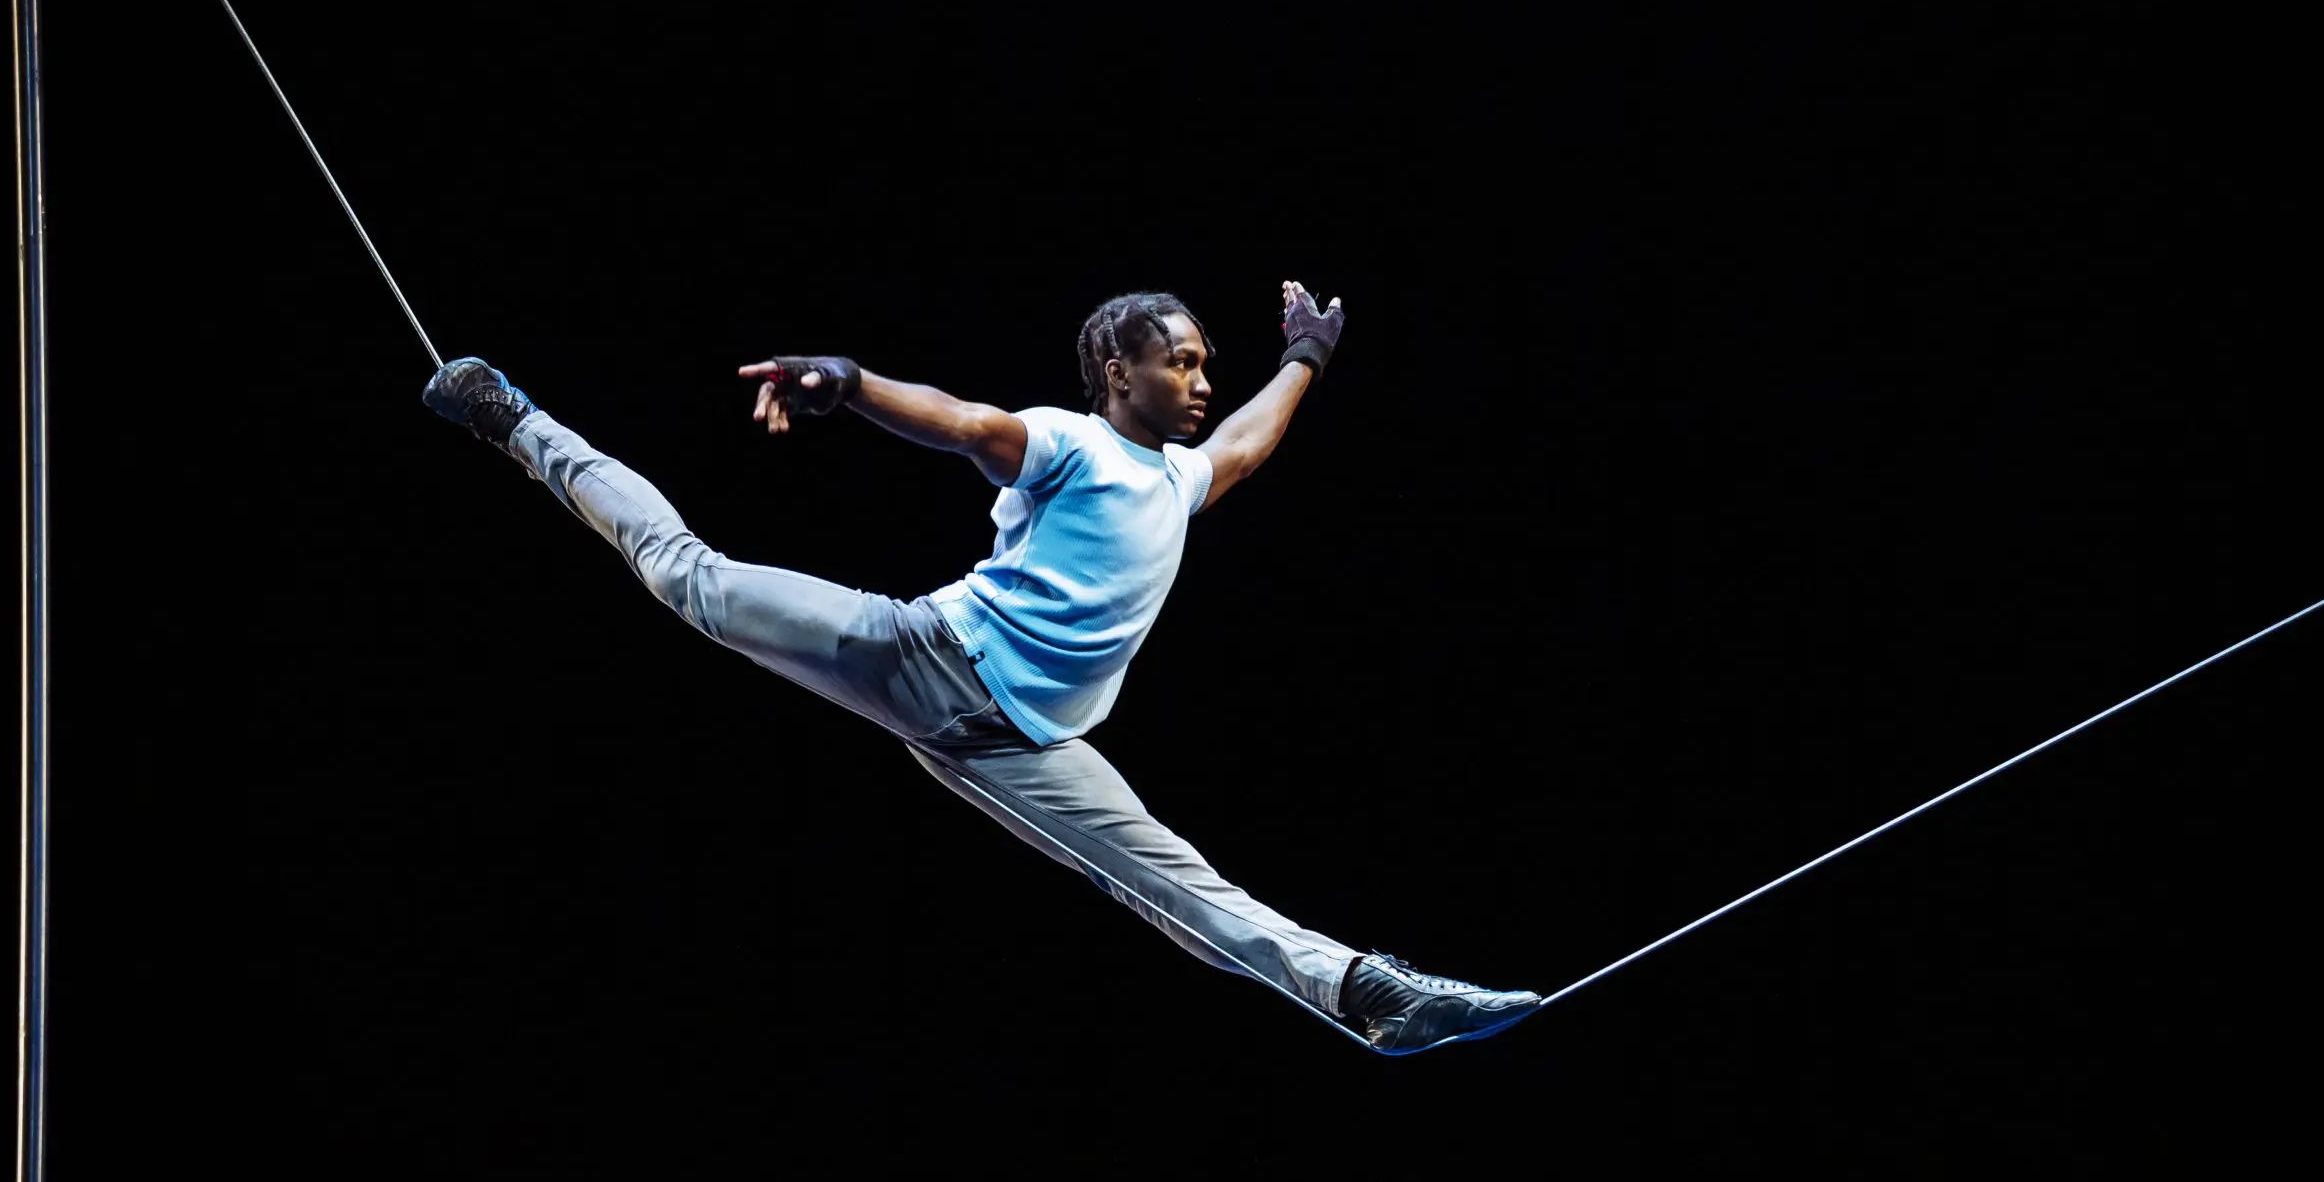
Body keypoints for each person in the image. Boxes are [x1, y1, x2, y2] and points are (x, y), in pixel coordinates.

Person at [420, 281, 1539, 1053]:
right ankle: (511, 419)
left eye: (1208, 364)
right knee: (691, 582)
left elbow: (1243, 444)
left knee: (1180, 889)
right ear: (1120, 372)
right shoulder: (1071, 442)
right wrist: (851, 382)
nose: (1203, 382)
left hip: (1031, 748)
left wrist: (1306, 356)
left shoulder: (1179, 479)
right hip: (924, 661)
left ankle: (1366, 992)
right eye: (1184, 362)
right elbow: (965, 423)